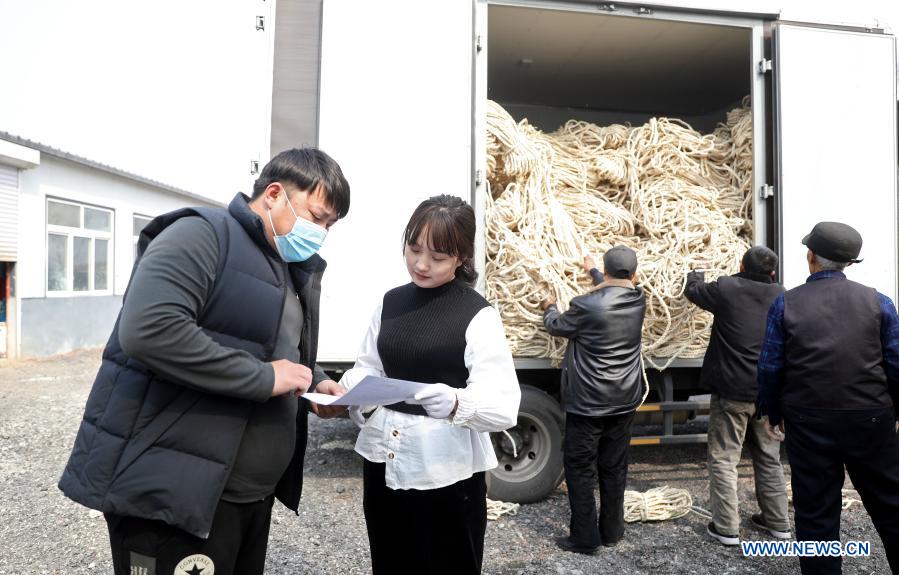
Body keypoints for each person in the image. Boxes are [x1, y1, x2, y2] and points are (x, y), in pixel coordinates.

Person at [58, 148, 351, 575]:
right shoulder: (201, 235)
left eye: (329, 225)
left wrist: (315, 382)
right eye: (317, 216)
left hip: (243, 495)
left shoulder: (286, 267)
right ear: (273, 194)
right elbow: (150, 330)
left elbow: (271, 347)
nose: (321, 232)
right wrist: (263, 377)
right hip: (173, 494)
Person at [325, 194, 520, 575]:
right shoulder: (391, 302)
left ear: (461, 257)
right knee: (390, 561)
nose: (421, 264)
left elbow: (503, 405)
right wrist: (343, 392)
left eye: (438, 257)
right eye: (413, 249)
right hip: (384, 459)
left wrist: (454, 404)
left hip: (446, 467)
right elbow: (369, 367)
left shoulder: (477, 315)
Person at [758, 221, 899, 575]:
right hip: (870, 417)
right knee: (891, 504)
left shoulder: (785, 304)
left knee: (816, 512)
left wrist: (772, 412)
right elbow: (895, 362)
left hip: (808, 419)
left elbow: (771, 366)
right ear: (850, 263)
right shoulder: (879, 303)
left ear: (811, 257)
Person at [540, 246, 646, 554]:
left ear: (606, 270)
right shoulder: (639, 300)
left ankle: (585, 538)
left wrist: (549, 306)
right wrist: (594, 272)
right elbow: (616, 284)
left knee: (580, 467)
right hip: (624, 400)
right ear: (635, 275)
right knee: (614, 467)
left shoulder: (585, 305)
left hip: (588, 403)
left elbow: (556, 326)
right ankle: (612, 531)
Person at [684, 246, 790, 546]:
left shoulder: (728, 288)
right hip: (769, 394)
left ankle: (726, 528)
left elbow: (694, 291)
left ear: (742, 265)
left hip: (732, 392)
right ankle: (778, 523)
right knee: (770, 458)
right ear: (772, 273)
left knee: (724, 459)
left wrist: (696, 270)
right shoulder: (783, 296)